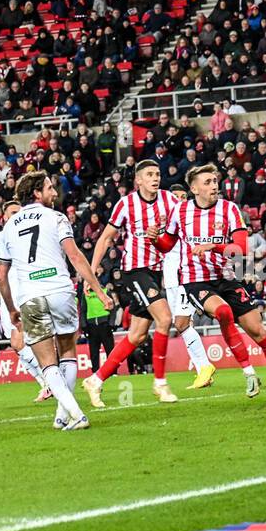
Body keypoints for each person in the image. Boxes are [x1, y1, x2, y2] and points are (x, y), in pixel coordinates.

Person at [144, 163, 266, 404]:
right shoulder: (180, 212)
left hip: (226, 277)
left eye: (215, 181)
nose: (214, 186)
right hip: (195, 279)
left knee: (259, 332)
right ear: (194, 188)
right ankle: (249, 372)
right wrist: (154, 239)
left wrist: (214, 246)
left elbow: (240, 249)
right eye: (208, 182)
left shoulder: (229, 209)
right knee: (222, 311)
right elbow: (167, 244)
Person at [0, 172, 112, 430]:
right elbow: (75, 255)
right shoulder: (57, 217)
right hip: (60, 290)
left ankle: (68, 414)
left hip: (30, 297)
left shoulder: (8, 227)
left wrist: (12, 308)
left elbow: (1, 277)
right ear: (37, 193)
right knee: (68, 352)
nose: (54, 192)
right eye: (49, 188)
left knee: (47, 361)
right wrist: (99, 290)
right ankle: (69, 415)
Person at [84, 160, 185, 405]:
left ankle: (95, 380)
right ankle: (160, 384)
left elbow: (185, 222)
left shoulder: (169, 201)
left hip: (156, 272)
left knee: (137, 335)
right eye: (149, 174)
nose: (155, 178)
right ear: (138, 180)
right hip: (134, 271)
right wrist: (92, 273)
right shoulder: (126, 204)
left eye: (158, 174)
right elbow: (106, 238)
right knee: (164, 318)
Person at [0, 199, 51, 402]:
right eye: (12, 212)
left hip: (27, 291)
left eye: (18, 212)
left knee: (21, 340)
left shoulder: (28, 233)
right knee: (17, 345)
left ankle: (51, 379)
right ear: (4, 217)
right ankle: (47, 383)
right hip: (7, 297)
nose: (15, 216)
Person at [162, 183, 215, 384]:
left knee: (182, 323)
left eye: (183, 196)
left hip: (185, 277)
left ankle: (204, 367)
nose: (180, 200)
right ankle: (203, 372)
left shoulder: (190, 220)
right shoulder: (167, 223)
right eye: (176, 196)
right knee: (182, 324)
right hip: (170, 279)